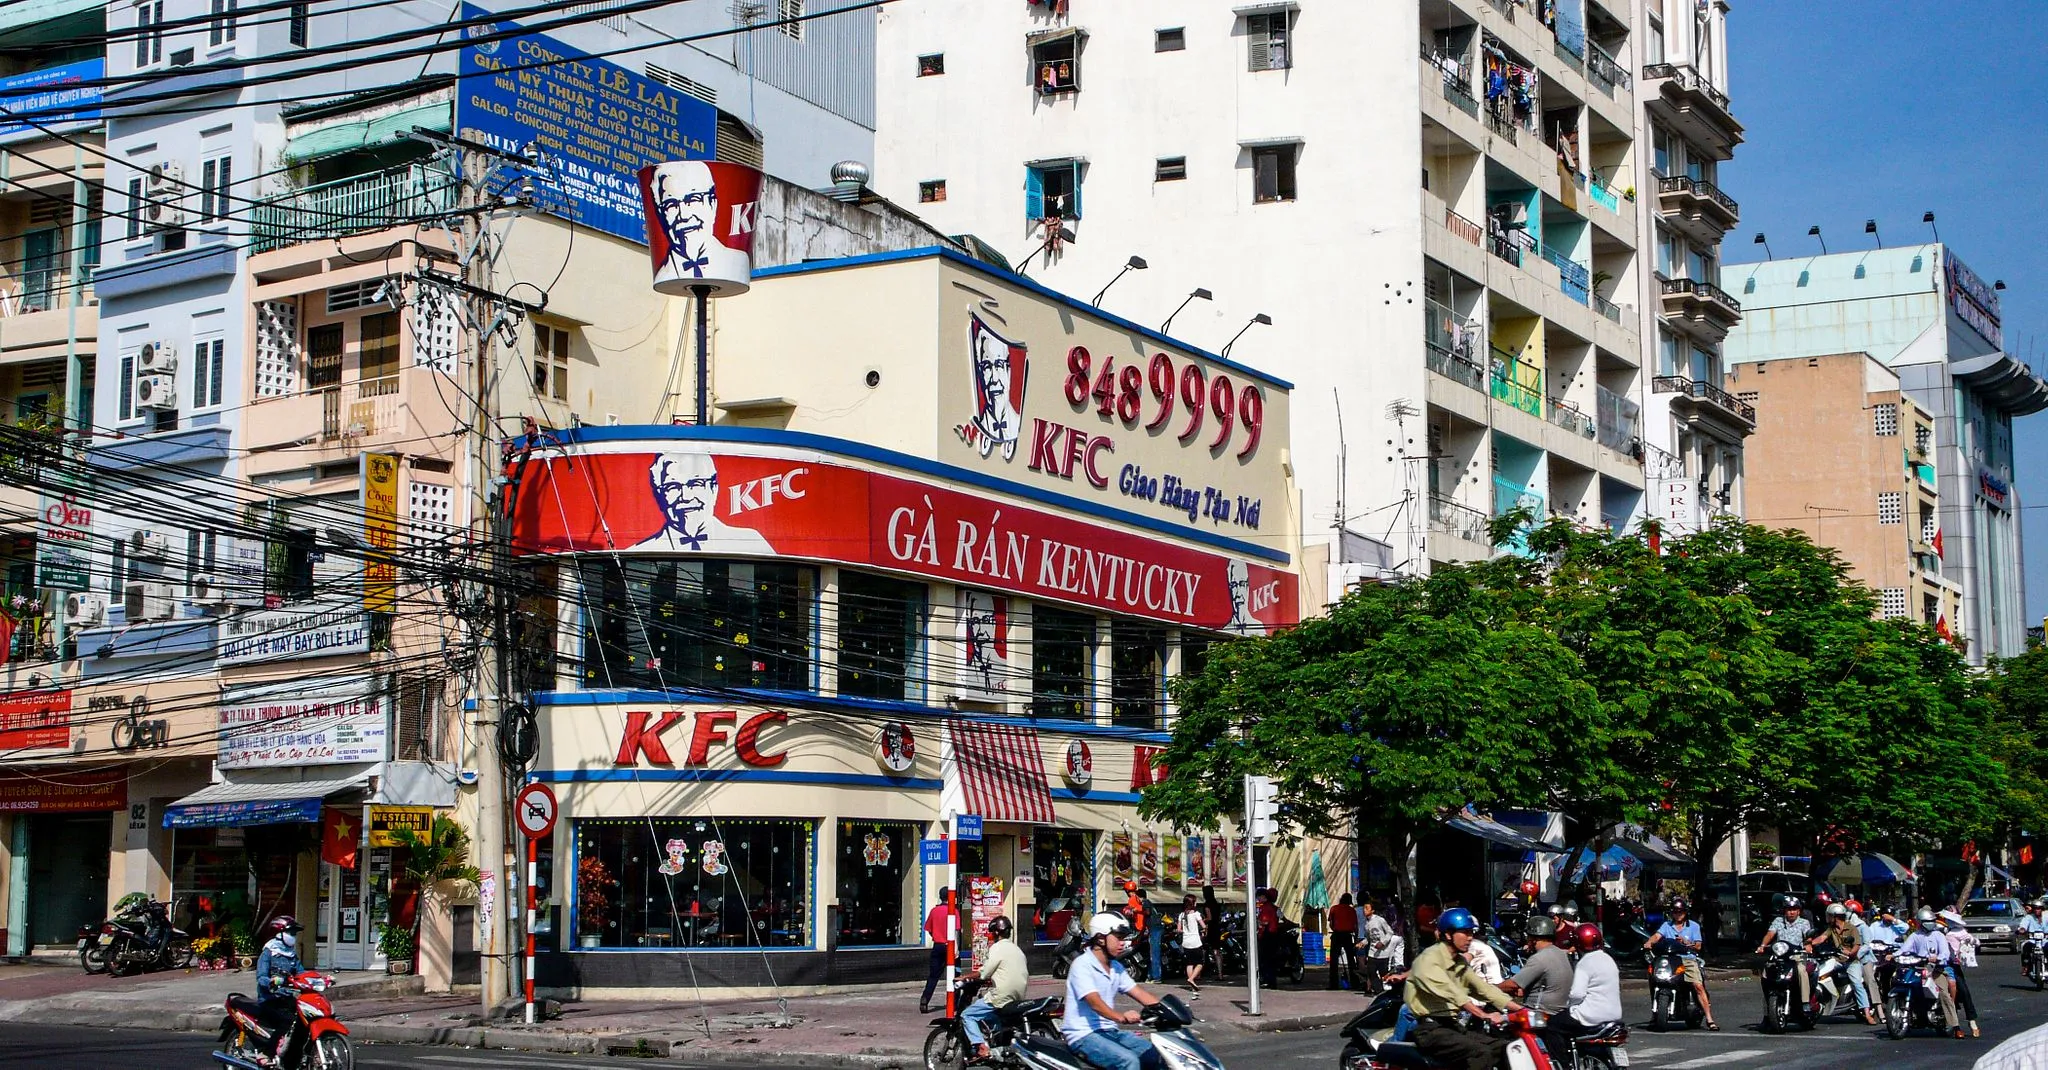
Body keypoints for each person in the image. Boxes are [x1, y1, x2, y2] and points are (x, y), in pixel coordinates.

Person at [1402, 907, 1522, 1070]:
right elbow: (1453, 993)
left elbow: (1485, 990)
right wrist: (1484, 1015)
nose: (1470, 938)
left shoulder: (1459, 963)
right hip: (1430, 1030)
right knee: (1481, 1052)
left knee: (1504, 1047)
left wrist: (1522, 1010)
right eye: (1465, 933)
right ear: (1448, 934)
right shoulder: (1428, 959)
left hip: (1451, 1026)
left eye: (1471, 933)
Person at [1060, 912, 1163, 1070]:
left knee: (1153, 1054)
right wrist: (1121, 1017)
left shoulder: (1116, 968)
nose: (1123, 943)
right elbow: (1095, 1003)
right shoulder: (1082, 965)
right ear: (1101, 938)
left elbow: (1139, 993)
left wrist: (1167, 1010)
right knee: (1129, 1061)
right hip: (1083, 1035)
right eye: (1118, 937)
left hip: (1109, 1031)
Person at [1545, 923, 1624, 1058]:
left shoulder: (1585, 963)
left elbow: (1577, 994)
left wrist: (1569, 1005)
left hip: (1590, 1015)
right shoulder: (1608, 959)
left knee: (1551, 1026)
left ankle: (1564, 1064)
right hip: (1614, 1014)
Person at [959, 916, 1029, 1062]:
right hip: (1018, 996)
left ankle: (982, 1048)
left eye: (991, 932)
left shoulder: (997, 948)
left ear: (997, 933)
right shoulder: (1017, 949)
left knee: (967, 1015)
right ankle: (997, 1043)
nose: (990, 935)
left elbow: (984, 972)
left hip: (1002, 995)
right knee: (994, 1017)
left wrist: (964, 977)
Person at [1646, 896, 1719, 1029]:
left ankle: (1709, 1018)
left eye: (1680, 911)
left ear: (1685, 912)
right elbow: (1657, 936)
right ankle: (1654, 1014)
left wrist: (1686, 943)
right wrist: (1649, 942)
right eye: (1675, 911)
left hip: (1687, 959)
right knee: (1654, 978)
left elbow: (1698, 946)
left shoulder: (1694, 926)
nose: (1678, 914)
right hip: (1669, 959)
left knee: (1698, 986)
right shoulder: (1666, 925)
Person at [1901, 906, 1962, 1039]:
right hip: (1917, 968)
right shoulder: (1915, 936)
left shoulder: (1939, 935)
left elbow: (1945, 953)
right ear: (1920, 923)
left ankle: (1955, 1026)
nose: (1929, 924)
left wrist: (1938, 958)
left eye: (1931, 921)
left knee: (1944, 994)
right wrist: (1893, 955)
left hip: (1935, 970)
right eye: (1926, 921)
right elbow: (1904, 949)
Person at [1811, 902, 1876, 1025]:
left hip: (1851, 961)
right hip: (1837, 959)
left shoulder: (1852, 928)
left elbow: (1857, 945)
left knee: (1857, 983)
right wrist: (1809, 944)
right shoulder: (1832, 929)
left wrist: (1851, 952)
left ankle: (1867, 1014)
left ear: (1835, 916)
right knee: (1819, 971)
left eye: (1830, 915)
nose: (1828, 918)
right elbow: (1822, 938)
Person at [252, 915, 305, 1064]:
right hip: (270, 999)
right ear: (279, 933)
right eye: (291, 933)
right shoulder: (268, 952)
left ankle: (295, 1055)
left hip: (287, 998)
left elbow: (302, 974)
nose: (293, 937)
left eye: (295, 934)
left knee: (305, 1017)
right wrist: (272, 982)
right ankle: (266, 1053)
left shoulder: (291, 955)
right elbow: (261, 977)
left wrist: (319, 979)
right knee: (288, 1020)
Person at [1498, 916, 1573, 1016]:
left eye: (1528, 937)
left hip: (1540, 1014)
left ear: (1534, 939)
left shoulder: (1539, 958)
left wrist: (1490, 988)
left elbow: (1513, 985)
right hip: (1562, 1012)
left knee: (1498, 1022)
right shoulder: (1562, 954)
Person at [1756, 894, 1815, 1012]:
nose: (1791, 912)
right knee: (1766, 972)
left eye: (1794, 910)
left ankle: (1805, 1002)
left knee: (1802, 971)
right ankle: (1767, 1008)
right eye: (1789, 910)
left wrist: (1808, 945)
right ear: (1784, 911)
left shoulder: (1804, 923)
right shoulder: (1778, 921)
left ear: (1799, 911)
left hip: (1797, 954)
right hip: (1779, 955)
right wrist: (1762, 946)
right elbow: (1770, 934)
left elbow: (1808, 938)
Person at [1941, 908, 1983, 1039]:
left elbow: (1975, 941)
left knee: (1963, 991)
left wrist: (1971, 941)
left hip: (1952, 965)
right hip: (1938, 964)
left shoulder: (1960, 932)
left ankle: (1972, 1022)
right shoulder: (1940, 930)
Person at [920, 890, 959, 1014]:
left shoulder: (934, 911)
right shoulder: (954, 911)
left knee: (933, 975)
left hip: (937, 946)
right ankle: (955, 1003)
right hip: (950, 946)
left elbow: (928, 928)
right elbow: (955, 931)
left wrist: (936, 935)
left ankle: (925, 998)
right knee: (956, 976)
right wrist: (956, 948)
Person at [1361, 899, 1401, 992]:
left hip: (1383, 952)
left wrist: (1383, 942)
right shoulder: (1366, 924)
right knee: (1371, 972)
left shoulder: (1380, 920)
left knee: (1384, 973)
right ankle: (1379, 990)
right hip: (1372, 952)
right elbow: (1368, 938)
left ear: (1372, 910)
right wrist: (1362, 943)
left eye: (1367, 908)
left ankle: (1394, 989)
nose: (1364, 910)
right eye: (1364, 908)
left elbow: (1390, 932)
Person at [1326, 893, 1360, 990]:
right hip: (1348, 935)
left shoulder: (1334, 908)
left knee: (1334, 961)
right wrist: (1356, 939)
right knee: (1351, 960)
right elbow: (1355, 926)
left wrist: (1335, 929)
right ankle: (1354, 982)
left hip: (1337, 934)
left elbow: (1331, 923)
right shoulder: (1352, 910)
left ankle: (1333, 984)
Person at [1178, 895, 1206, 993]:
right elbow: (1203, 926)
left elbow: (1179, 930)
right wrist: (1203, 930)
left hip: (1185, 942)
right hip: (1195, 942)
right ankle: (1191, 979)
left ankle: (1192, 984)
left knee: (1189, 963)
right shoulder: (1196, 914)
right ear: (1192, 904)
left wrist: (1185, 931)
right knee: (1200, 963)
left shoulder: (1181, 915)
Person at [1255, 887, 1282, 988]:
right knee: (1271, 959)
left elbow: (1265, 922)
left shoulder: (1266, 908)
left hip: (1267, 935)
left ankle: (1267, 980)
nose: (1258, 899)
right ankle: (1272, 980)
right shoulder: (1275, 908)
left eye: (1259, 897)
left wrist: (1257, 922)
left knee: (1265, 959)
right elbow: (1282, 917)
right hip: (1274, 935)